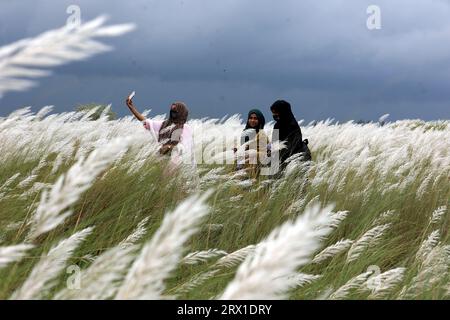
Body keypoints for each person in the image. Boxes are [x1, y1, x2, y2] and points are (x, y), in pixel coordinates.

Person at [125, 96, 195, 166]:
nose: (172, 113)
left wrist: (169, 147)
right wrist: (131, 107)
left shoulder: (186, 128)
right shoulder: (164, 124)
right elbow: (145, 121)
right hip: (162, 161)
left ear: (181, 113)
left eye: (175, 111)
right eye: (172, 111)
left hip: (178, 163)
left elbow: (185, 147)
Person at [270, 100, 311, 173]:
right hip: (281, 160)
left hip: (297, 159)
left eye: (276, 112)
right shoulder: (277, 126)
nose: (274, 115)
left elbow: (293, 146)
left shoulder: (293, 126)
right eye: (273, 113)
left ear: (283, 112)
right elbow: (274, 143)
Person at [234, 109, 270, 178]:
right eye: (250, 118)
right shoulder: (245, 133)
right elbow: (245, 148)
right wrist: (238, 150)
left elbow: (264, 153)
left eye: (255, 118)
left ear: (260, 120)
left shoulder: (261, 134)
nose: (252, 120)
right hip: (244, 167)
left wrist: (251, 153)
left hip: (256, 169)